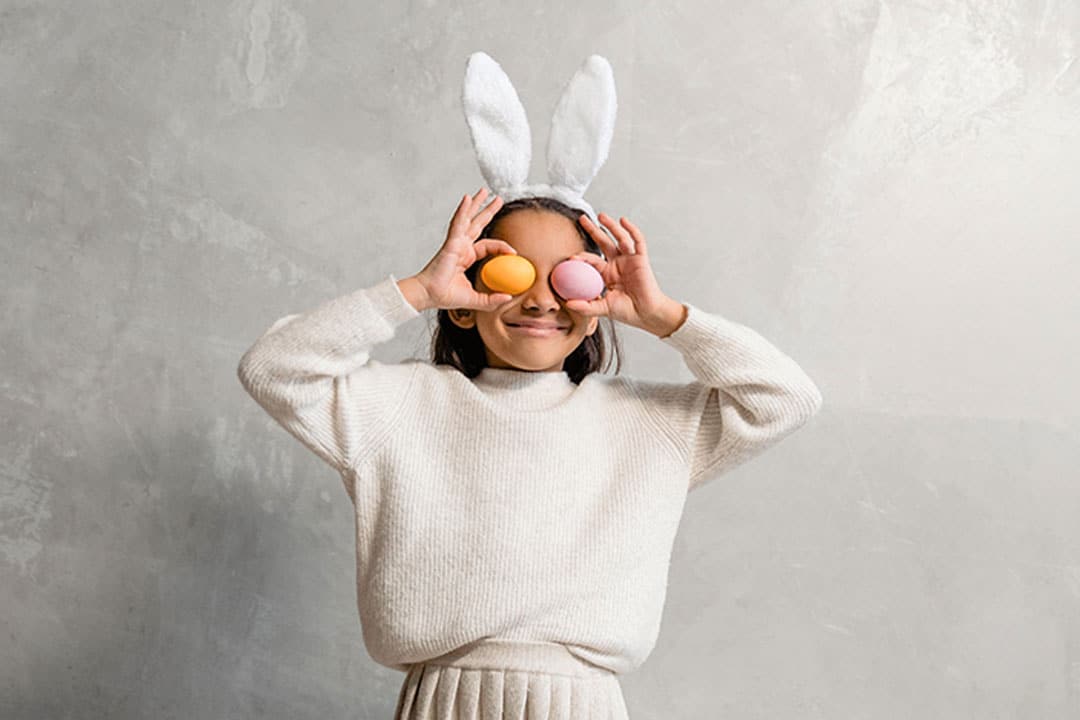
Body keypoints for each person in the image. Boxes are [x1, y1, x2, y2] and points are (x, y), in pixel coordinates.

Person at [236, 186, 823, 719]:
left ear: (597, 307)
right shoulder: (400, 407)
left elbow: (785, 397)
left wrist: (665, 317)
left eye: (569, 278)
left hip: (585, 704)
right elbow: (275, 368)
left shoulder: (647, 423)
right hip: (442, 702)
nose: (542, 301)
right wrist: (416, 291)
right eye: (514, 274)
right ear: (463, 301)